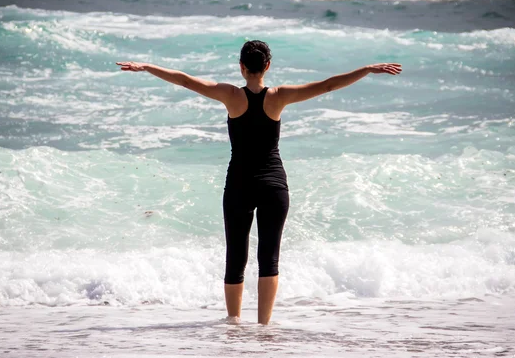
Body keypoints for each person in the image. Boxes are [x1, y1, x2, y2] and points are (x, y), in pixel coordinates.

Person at [117, 40, 401, 324]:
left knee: (235, 258)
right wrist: (366, 69)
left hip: (239, 184)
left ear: (241, 67)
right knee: (269, 259)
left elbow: (184, 80)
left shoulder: (229, 95)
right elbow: (328, 85)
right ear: (267, 65)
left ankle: (233, 325)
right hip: (273, 186)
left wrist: (146, 67)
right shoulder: (279, 96)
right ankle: (264, 327)